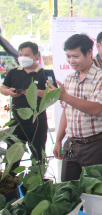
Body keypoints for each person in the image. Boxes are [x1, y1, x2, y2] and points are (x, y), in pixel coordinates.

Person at [51, 34, 102, 182]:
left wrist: (65, 96)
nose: (71, 61)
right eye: (68, 56)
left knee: (95, 194)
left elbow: (96, 109)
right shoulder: (69, 78)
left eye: (75, 56)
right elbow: (67, 112)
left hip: (95, 146)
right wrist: (59, 140)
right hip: (71, 145)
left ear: (89, 53)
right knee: (68, 193)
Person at [0, 42, 48, 171]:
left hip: (37, 121)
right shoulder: (14, 72)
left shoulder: (43, 73)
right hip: (17, 122)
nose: (22, 57)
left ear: (34, 56)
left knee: (38, 156)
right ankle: (10, 183)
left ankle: (36, 183)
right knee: (12, 157)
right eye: (20, 55)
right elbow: (3, 87)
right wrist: (9, 92)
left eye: (26, 55)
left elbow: (51, 92)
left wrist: (32, 92)